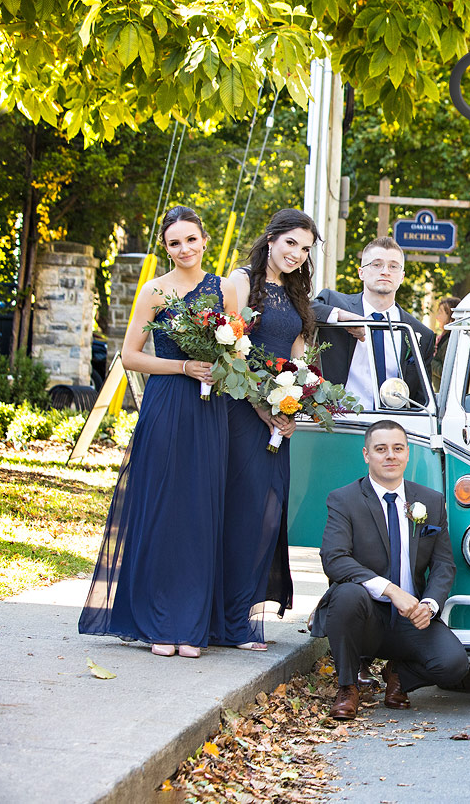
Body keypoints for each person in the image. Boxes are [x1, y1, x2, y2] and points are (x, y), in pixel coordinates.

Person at [79, 206, 236, 659]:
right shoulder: (154, 290)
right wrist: (184, 366)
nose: (184, 249)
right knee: (164, 507)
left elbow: (236, 353)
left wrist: (218, 370)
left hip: (210, 409)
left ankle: (191, 624)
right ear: (165, 248)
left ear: (204, 240)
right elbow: (129, 355)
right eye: (174, 242)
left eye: (191, 239)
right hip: (167, 403)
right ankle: (157, 622)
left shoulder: (224, 289)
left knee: (200, 511)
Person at [309, 420, 469, 720]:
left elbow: (444, 563)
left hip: (412, 617)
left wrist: (430, 604)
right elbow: (334, 558)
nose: (390, 456)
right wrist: (391, 590)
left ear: (407, 453)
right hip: (366, 614)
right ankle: (348, 687)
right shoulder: (344, 499)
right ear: (366, 455)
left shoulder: (430, 502)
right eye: (380, 449)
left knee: (454, 665)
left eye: (397, 448)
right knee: (345, 594)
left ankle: (399, 677)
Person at [214, 209, 319, 650]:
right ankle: (231, 622)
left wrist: (295, 403)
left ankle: (240, 614)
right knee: (242, 511)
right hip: (241, 411)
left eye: (306, 249)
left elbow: (297, 355)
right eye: (292, 243)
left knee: (269, 513)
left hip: (280, 414)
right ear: (272, 238)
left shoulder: (296, 294)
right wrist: (261, 405)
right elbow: (228, 350)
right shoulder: (238, 282)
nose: (297, 254)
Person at [312, 237, 435, 409]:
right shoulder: (333, 302)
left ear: (402, 276)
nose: (385, 271)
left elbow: (422, 400)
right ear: (361, 272)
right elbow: (304, 309)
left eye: (393, 266)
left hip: (393, 425)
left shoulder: (420, 333)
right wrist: (341, 316)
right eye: (376, 264)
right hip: (339, 422)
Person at [429, 295, 460, 391]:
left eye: (440, 313)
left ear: (451, 317)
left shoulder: (452, 341)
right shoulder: (443, 338)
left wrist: (429, 360)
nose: (437, 317)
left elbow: (446, 372)